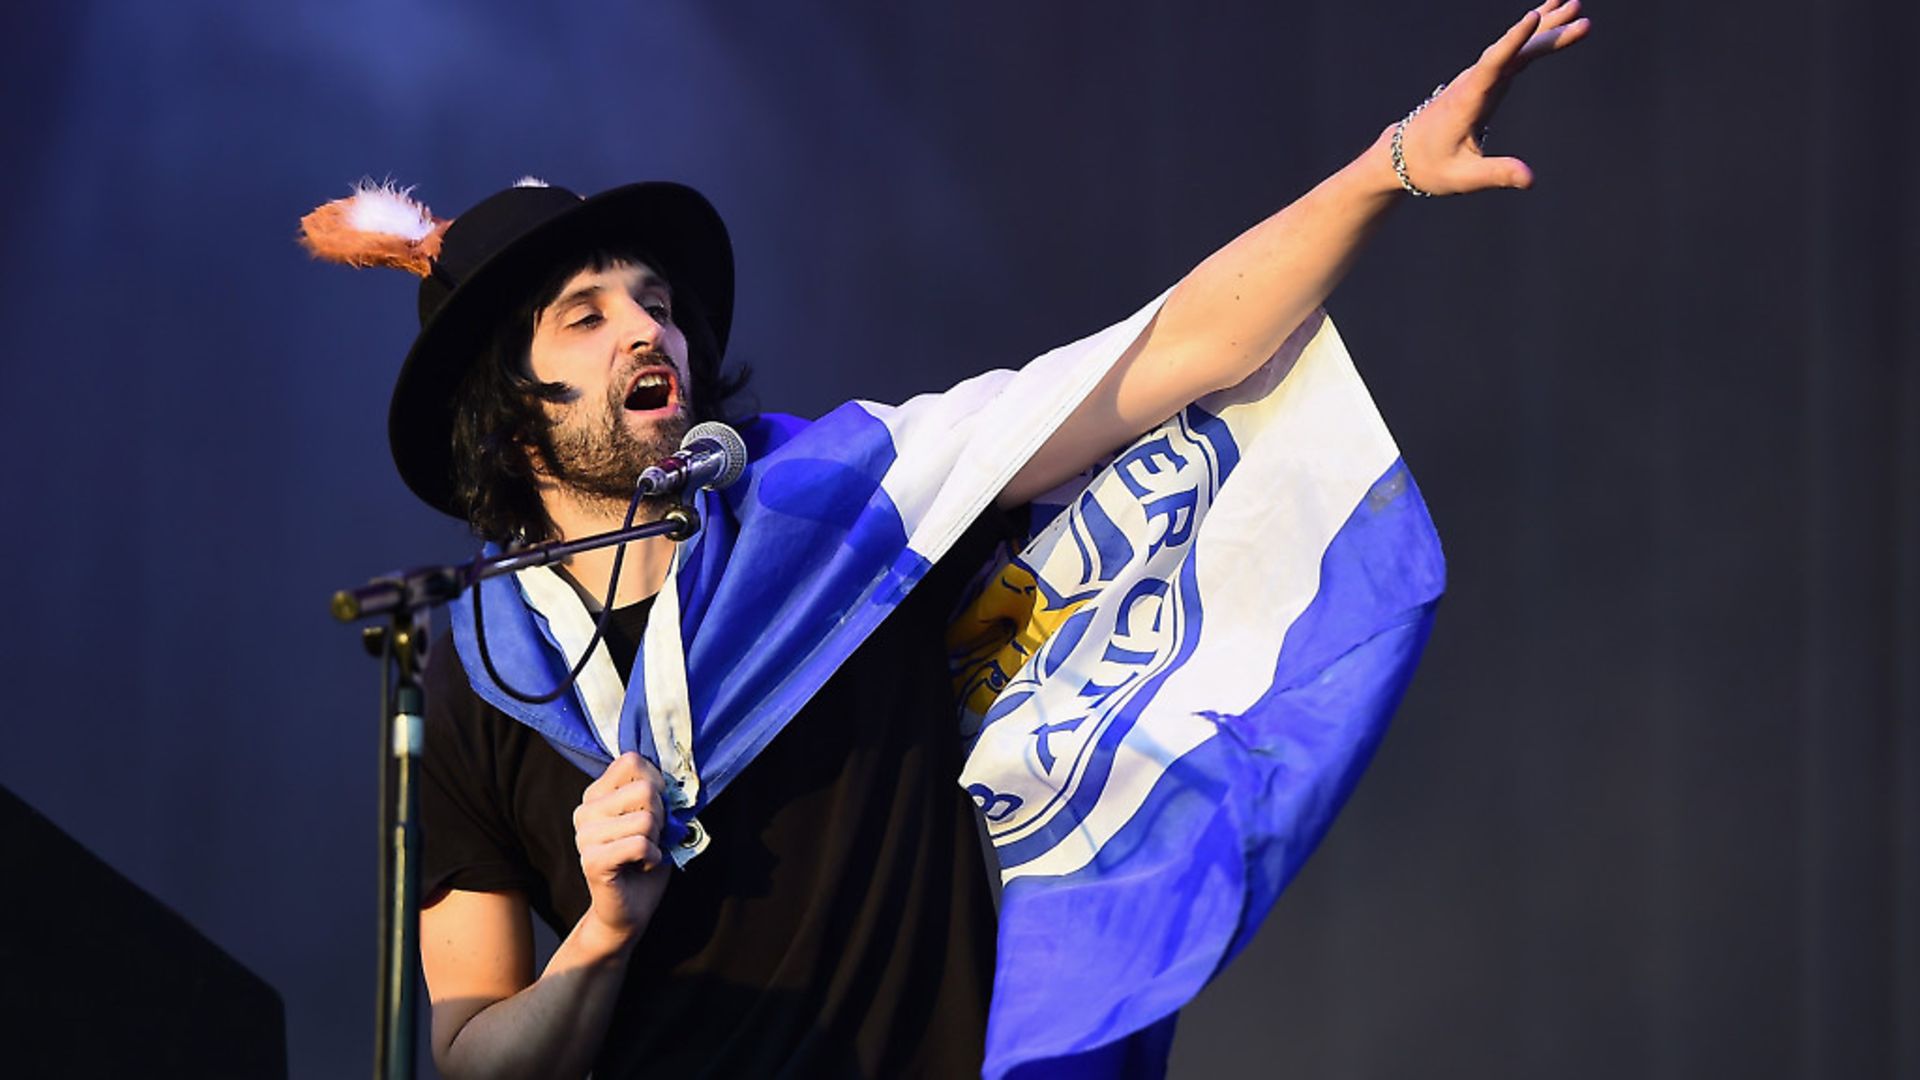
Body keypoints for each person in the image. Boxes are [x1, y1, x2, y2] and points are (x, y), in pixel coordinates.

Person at [301, 5, 1589, 1077]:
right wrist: (600, 938)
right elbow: (469, 1048)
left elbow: (1174, 347)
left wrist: (1388, 168)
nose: (649, 332)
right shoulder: (475, 670)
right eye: (582, 318)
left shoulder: (847, 511)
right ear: (506, 416)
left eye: (653, 302)